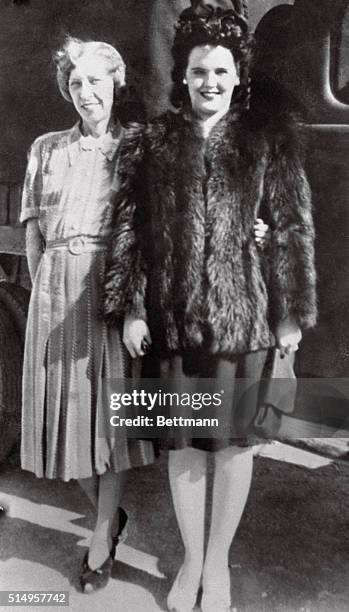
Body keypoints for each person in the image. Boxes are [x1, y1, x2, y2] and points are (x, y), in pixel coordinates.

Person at [104, 3, 317, 611]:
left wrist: (290, 309)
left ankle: (218, 564)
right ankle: (191, 563)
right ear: (183, 75)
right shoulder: (152, 142)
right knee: (186, 447)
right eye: (200, 72)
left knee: (234, 445)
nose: (211, 84)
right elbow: (129, 230)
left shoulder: (267, 140)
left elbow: (293, 225)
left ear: (238, 75)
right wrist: (132, 308)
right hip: (174, 321)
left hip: (242, 319)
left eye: (221, 72)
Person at [19, 37, 155, 593]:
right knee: (60, 422)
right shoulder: (46, 148)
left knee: (108, 423)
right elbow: (33, 231)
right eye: (76, 83)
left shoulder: (136, 149)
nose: (86, 92)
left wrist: (133, 307)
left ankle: (101, 536)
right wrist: (43, 290)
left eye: (96, 80)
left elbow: (143, 238)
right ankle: (111, 514)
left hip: (110, 289)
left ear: (116, 82)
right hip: (54, 290)